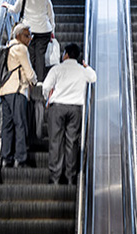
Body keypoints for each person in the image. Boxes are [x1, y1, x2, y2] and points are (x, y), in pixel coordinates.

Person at [42, 43, 97, 184]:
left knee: (56, 141)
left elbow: (46, 86)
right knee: (71, 143)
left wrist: (47, 98)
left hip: (58, 107)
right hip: (75, 108)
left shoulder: (57, 68)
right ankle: (70, 177)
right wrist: (86, 66)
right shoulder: (81, 70)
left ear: (65, 54)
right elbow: (93, 77)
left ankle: (55, 177)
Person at [0, 23, 37, 168]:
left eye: (30, 36)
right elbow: (29, 72)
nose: (30, 39)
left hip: (4, 91)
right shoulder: (21, 48)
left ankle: (6, 158)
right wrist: (35, 81)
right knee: (20, 124)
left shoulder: (8, 47)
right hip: (17, 90)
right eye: (27, 36)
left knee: (7, 126)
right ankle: (20, 159)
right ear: (19, 36)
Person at [1, 0, 55, 82]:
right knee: (40, 55)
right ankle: (40, 81)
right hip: (44, 30)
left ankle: (31, 80)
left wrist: (7, 5)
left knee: (30, 54)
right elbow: (51, 16)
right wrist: (52, 31)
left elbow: (15, 9)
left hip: (28, 30)